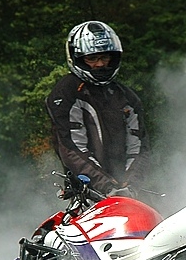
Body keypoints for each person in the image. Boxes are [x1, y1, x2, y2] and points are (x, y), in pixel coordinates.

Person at [46, 21, 150, 197]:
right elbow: (72, 149)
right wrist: (107, 187)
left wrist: (130, 185)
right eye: (92, 58)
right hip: (86, 195)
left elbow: (139, 148)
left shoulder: (127, 97)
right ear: (78, 59)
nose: (100, 64)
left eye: (104, 57)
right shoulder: (66, 93)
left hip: (127, 192)